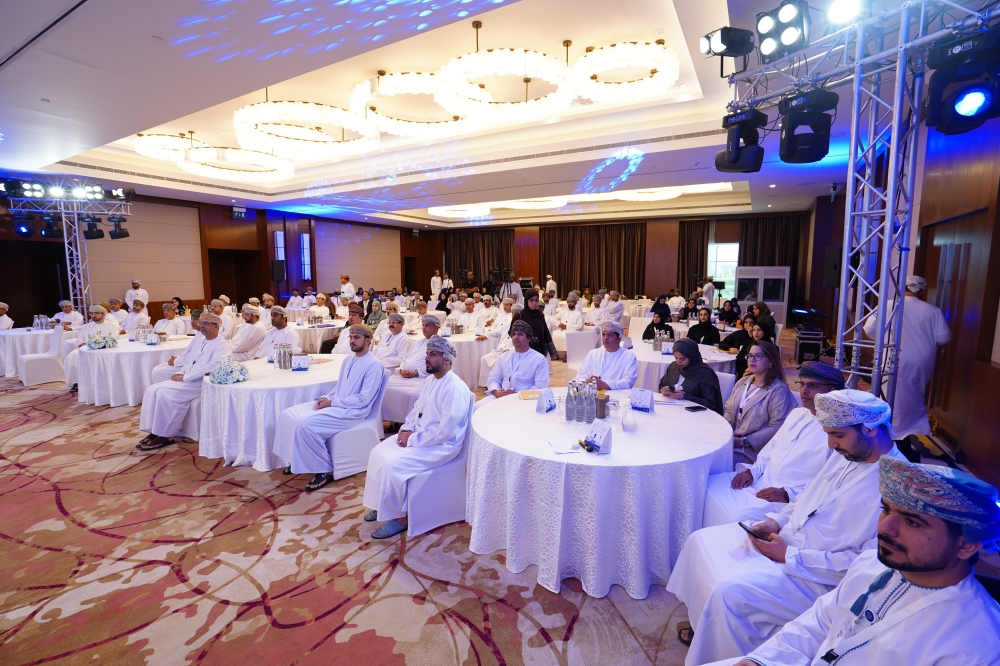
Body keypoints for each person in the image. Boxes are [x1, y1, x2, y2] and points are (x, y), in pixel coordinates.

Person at [667, 389, 905, 665]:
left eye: (838, 435)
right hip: (787, 541)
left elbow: (868, 564)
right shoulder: (847, 455)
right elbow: (809, 497)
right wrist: (777, 521)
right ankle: (705, 625)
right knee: (701, 541)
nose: (830, 445)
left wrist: (789, 556)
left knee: (728, 593)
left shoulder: (898, 488)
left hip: (817, 577)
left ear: (871, 429)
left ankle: (724, 653)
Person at [726, 456, 1000, 666]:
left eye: (912, 522)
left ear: (966, 545)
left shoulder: (976, 648)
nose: (884, 528)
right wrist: (763, 660)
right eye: (886, 510)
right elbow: (819, 624)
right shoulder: (871, 563)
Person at [703, 361, 845, 527]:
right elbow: (771, 448)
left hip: (785, 500)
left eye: (813, 385)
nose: (804, 391)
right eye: (802, 384)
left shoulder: (838, 432)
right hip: (759, 481)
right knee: (707, 485)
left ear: (832, 390)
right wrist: (752, 472)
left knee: (736, 517)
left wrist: (787, 495)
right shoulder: (797, 414)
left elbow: (828, 482)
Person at [362, 335, 473, 539]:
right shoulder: (431, 380)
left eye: (433, 354)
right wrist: (406, 429)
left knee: (393, 464)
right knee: (377, 452)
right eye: (427, 353)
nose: (426, 358)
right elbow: (416, 410)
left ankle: (400, 517)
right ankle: (382, 505)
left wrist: (412, 439)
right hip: (421, 437)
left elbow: (445, 433)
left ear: (447, 360)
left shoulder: (454, 388)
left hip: (442, 446)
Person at [273, 323, 385, 492]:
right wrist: (327, 397)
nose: (352, 341)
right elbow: (339, 386)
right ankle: (296, 460)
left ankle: (325, 469)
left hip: (353, 412)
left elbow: (363, 399)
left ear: (368, 340)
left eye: (357, 337)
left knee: (305, 425)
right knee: (287, 415)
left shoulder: (373, 365)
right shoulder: (349, 359)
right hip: (337, 403)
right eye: (351, 337)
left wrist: (332, 403)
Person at [862, 275, 951, 454]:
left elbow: (869, 329)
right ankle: (907, 434)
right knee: (913, 396)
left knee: (890, 396)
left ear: (900, 287)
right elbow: (944, 337)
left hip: (892, 357)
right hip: (922, 360)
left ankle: (893, 438)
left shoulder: (888, 305)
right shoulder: (932, 310)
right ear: (922, 290)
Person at [136, 314, 231, 451]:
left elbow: (213, 366)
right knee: (153, 389)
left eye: (206, 324)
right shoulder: (200, 340)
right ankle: (155, 430)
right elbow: (191, 360)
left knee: (165, 393)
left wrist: (185, 377)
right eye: (201, 323)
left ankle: (166, 435)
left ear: (216, 326)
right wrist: (182, 372)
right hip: (188, 378)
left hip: (202, 382)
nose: (201, 326)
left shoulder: (221, 344)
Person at [725, 341, 795, 466]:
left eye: (758, 356)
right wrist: (723, 433)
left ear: (771, 361)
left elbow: (777, 427)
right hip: (730, 441)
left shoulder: (778, 390)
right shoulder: (742, 382)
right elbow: (729, 410)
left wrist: (743, 442)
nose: (752, 359)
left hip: (754, 451)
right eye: (750, 356)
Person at [477, 320, 549, 410]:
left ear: (529, 338)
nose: (516, 337)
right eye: (514, 334)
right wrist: (496, 391)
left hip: (525, 399)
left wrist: (517, 394)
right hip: (501, 396)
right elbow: (493, 379)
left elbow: (540, 386)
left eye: (520, 334)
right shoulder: (504, 357)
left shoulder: (539, 359)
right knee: (476, 408)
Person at [382, 314, 441, 424]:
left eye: (427, 325)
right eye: (423, 325)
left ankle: (410, 424)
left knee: (412, 394)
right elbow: (405, 358)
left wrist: (415, 373)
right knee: (384, 386)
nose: (424, 328)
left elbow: (437, 367)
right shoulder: (418, 342)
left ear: (436, 328)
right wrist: (402, 369)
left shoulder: (440, 344)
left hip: (422, 378)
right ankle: (393, 421)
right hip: (404, 376)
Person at [63, 305, 123, 392]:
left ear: (103, 314)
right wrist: (84, 346)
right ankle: (77, 382)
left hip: (105, 350)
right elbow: (80, 339)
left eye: (96, 313)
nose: (93, 315)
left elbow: (113, 339)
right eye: (91, 313)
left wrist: (98, 346)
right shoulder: (87, 326)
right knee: (73, 356)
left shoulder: (112, 326)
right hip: (86, 349)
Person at [658, 338, 723, 413]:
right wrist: (664, 389)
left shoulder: (705, 374)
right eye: (676, 358)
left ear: (692, 356)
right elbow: (662, 384)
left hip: (696, 415)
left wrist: (685, 396)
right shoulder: (673, 367)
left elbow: (711, 403)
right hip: (672, 410)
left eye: (683, 359)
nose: (679, 362)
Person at [575, 321, 638, 389]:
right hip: (591, 393)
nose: (605, 338)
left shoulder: (629, 357)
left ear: (619, 338)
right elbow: (579, 376)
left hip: (616, 394)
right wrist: (586, 381)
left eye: (610, 335)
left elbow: (628, 382)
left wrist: (605, 385)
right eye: (603, 334)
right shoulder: (593, 354)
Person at [151, 310, 207, 383]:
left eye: (196, 319)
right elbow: (188, 352)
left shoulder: (204, 337)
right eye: (192, 319)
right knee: (157, 368)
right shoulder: (199, 334)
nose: (192, 321)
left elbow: (195, 358)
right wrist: (176, 358)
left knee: (157, 372)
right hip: (183, 362)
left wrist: (176, 361)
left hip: (190, 367)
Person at [520, 289, 554, 359]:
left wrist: (552, 351)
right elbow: (512, 333)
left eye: (536, 300)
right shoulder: (520, 315)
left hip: (539, 350)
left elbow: (546, 333)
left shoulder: (540, 315)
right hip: (524, 350)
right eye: (531, 300)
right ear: (526, 300)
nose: (534, 303)